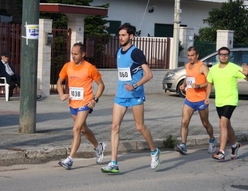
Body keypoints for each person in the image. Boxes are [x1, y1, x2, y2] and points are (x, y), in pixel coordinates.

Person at [101, 22, 161, 174]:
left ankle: (154, 151)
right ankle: (114, 163)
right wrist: (118, 89)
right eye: (119, 35)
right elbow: (122, 73)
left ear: (131, 36)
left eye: (123, 35)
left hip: (135, 95)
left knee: (139, 127)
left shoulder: (136, 53)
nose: (120, 38)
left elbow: (149, 74)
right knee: (114, 127)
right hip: (121, 96)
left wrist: (134, 85)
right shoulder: (118, 52)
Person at [57, 42, 106, 170]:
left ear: (83, 54)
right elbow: (59, 82)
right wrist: (61, 94)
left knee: (76, 129)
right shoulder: (67, 66)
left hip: (85, 103)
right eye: (72, 54)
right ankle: (98, 146)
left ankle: (70, 159)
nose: (73, 56)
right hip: (73, 103)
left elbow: (101, 85)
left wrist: (95, 100)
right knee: (83, 129)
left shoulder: (90, 68)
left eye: (76, 54)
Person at [205, 46, 248, 161]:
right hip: (219, 101)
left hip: (231, 100)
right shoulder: (213, 69)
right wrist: (206, 97)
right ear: (218, 56)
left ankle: (221, 152)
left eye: (226, 54)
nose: (223, 56)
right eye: (221, 54)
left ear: (229, 56)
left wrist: (247, 74)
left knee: (222, 124)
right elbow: (209, 83)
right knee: (227, 125)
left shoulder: (234, 68)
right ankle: (234, 145)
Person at [175, 46, 217, 155]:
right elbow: (188, 77)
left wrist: (199, 86)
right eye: (188, 56)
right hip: (189, 99)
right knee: (184, 122)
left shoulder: (202, 67)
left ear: (197, 55)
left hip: (201, 100)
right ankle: (183, 145)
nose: (190, 58)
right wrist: (183, 85)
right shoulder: (187, 66)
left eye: (192, 55)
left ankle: (212, 140)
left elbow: (210, 82)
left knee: (205, 123)